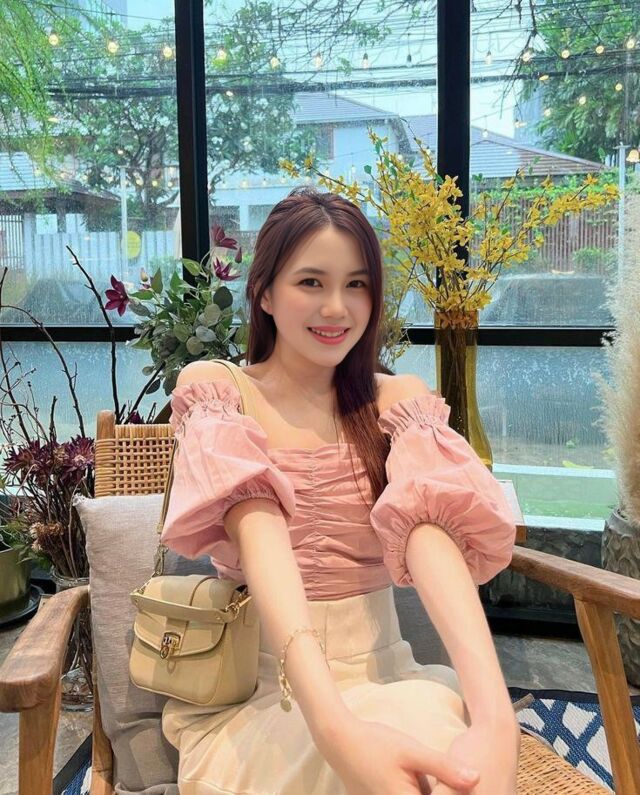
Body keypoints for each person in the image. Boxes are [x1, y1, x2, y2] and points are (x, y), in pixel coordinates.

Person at [159, 186, 520, 794]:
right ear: (264, 292)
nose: (336, 307)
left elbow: (431, 534)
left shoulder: (398, 402)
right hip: (265, 695)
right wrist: (335, 729)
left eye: (356, 284)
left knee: (454, 769)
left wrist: (495, 718)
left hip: (388, 678)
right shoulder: (220, 392)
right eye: (311, 282)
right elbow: (261, 534)